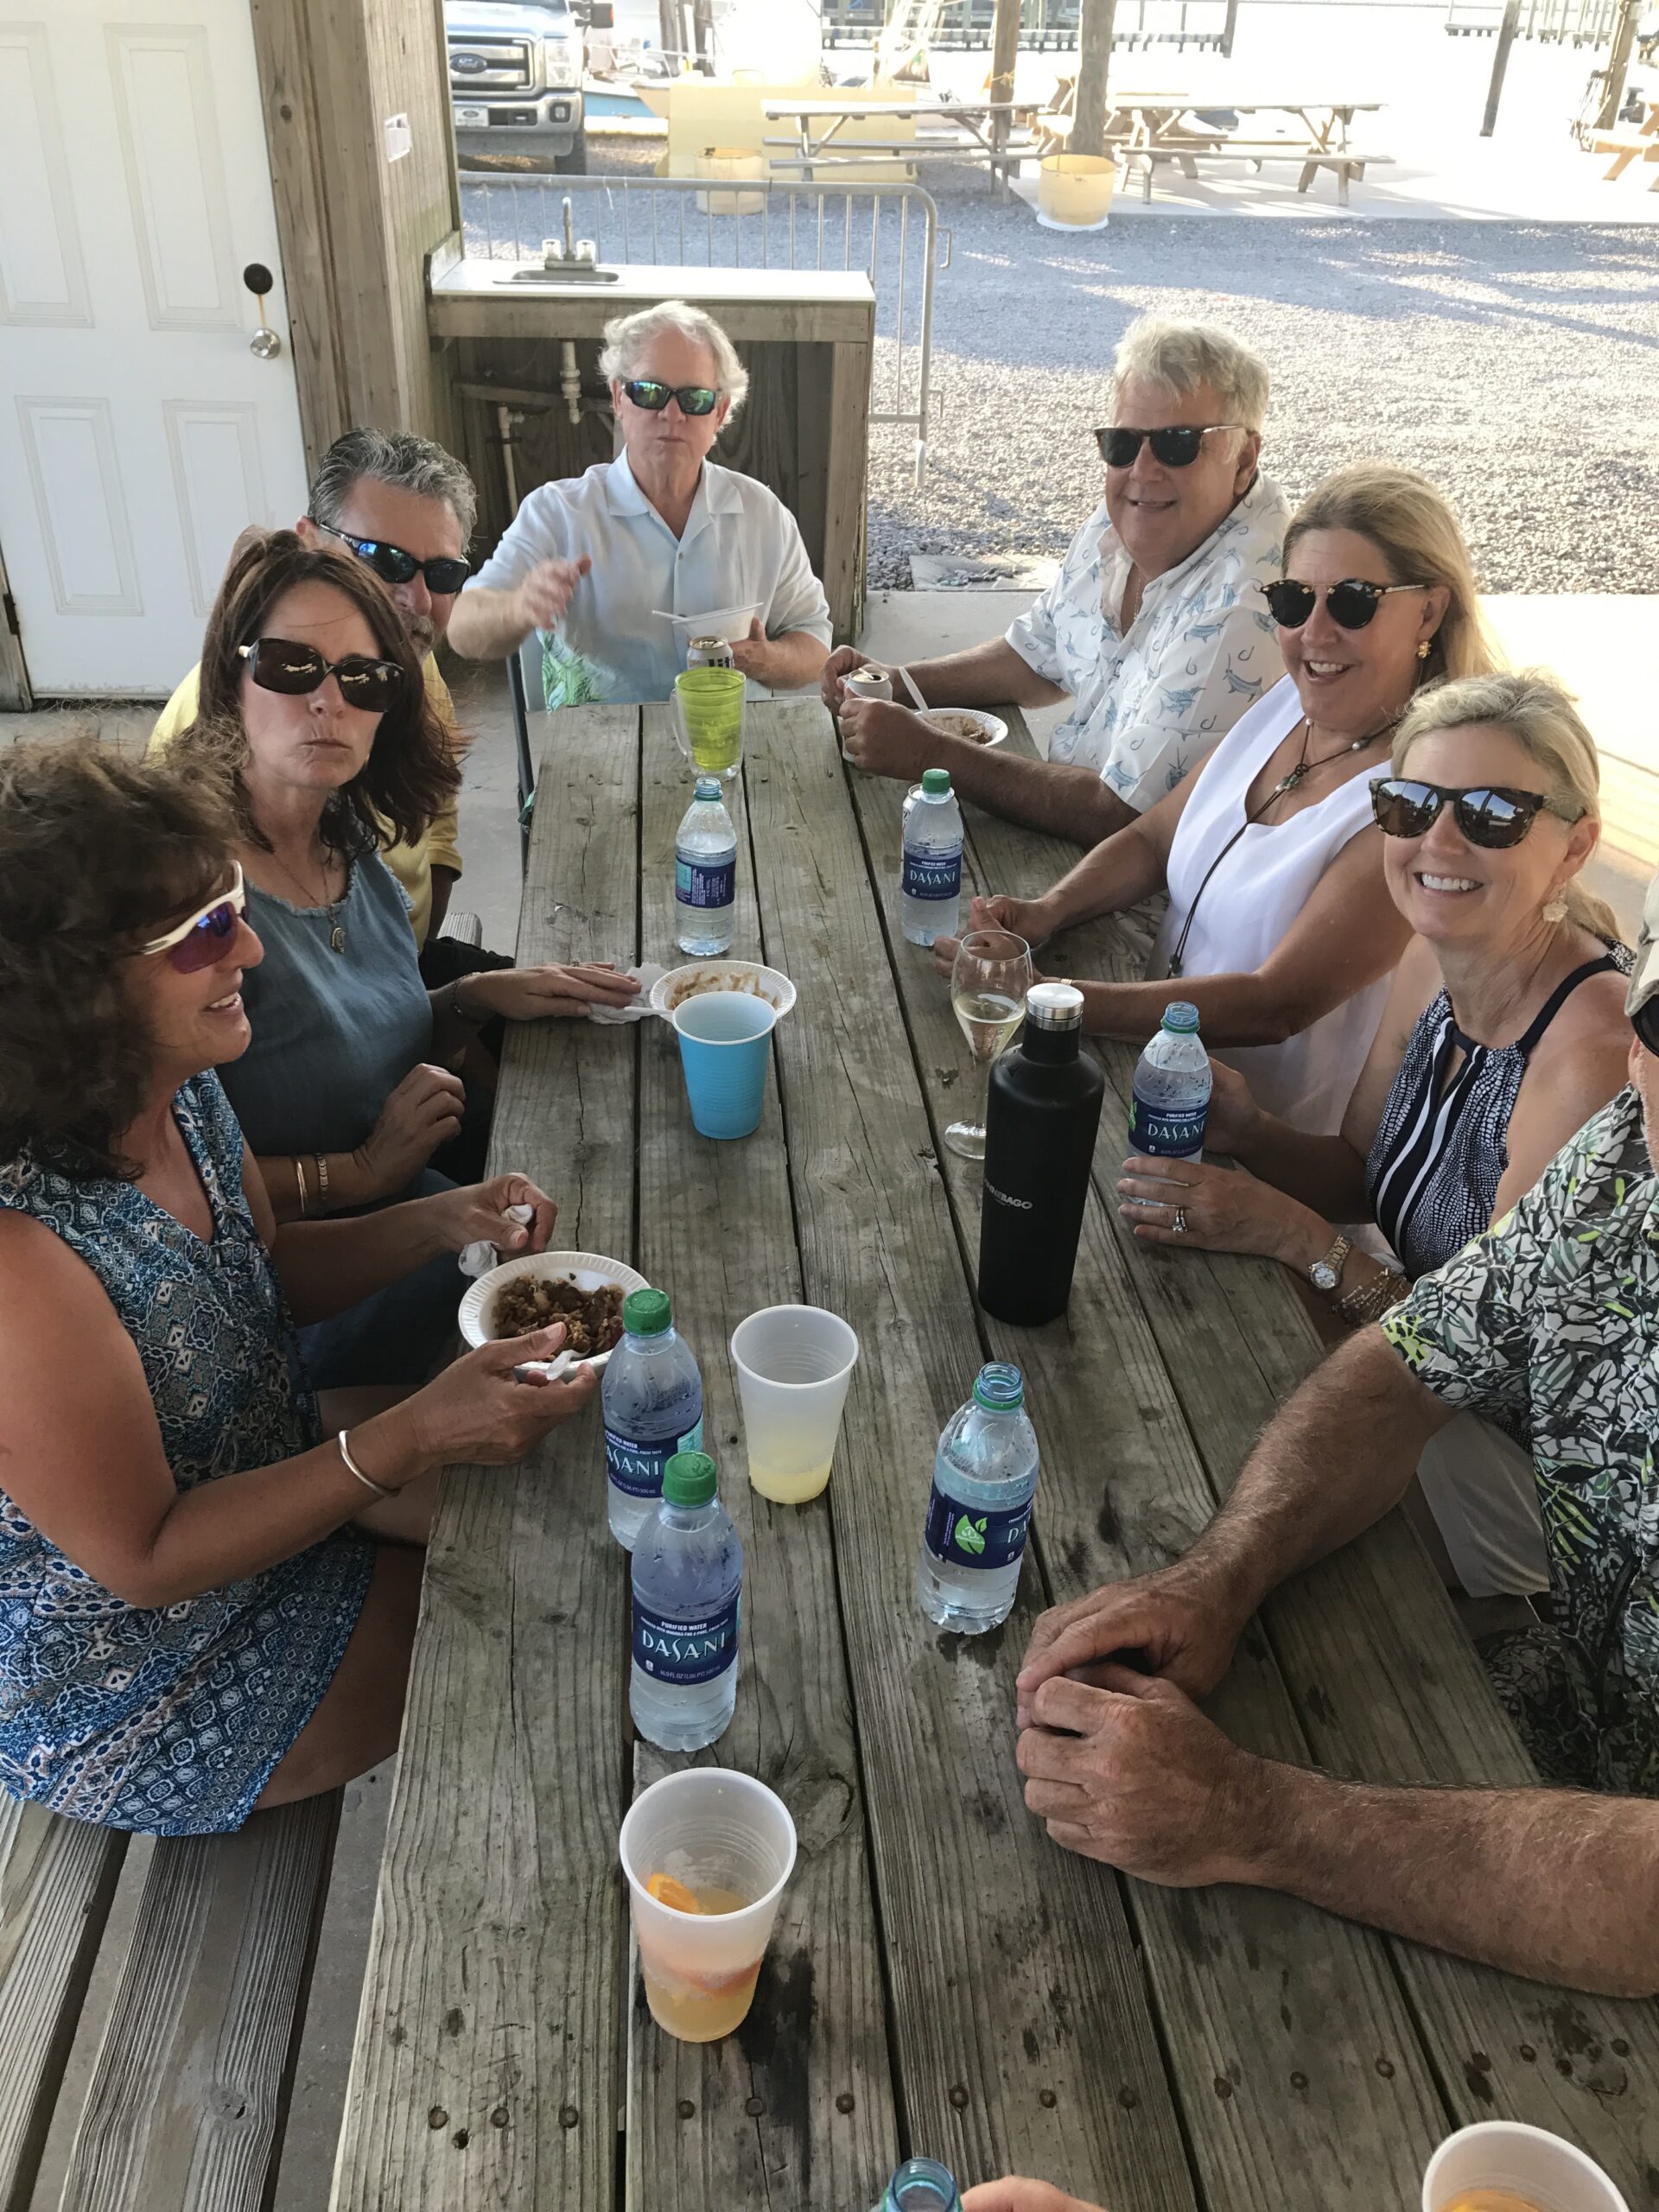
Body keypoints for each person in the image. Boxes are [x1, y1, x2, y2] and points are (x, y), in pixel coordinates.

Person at [1011, 868, 1659, 1998]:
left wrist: (1258, 1817)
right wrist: (1218, 1577)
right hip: (1542, 1731)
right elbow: (1405, 1366)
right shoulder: (1633, 1155)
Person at [0, 740, 594, 1837]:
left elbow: (260, 1276)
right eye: (208, 932)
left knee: (571, 1497)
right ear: (73, 992)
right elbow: (146, 1556)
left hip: (265, 1455)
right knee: (540, 1613)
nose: (254, 947)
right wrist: (406, 1437)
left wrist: (443, 1219)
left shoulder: (177, 1086)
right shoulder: (20, 1265)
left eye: (230, 904)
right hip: (150, 1665)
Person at [171, 531, 638, 1387]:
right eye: (289, 666)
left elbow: (366, 1033)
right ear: (227, 678)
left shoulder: (342, 833)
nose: (328, 701)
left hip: (424, 1209)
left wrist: (470, 995)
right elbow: (155, 1197)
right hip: (295, 1303)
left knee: (624, 1186)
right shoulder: (190, 903)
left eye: (364, 676)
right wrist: (353, 1172)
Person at [946, 462, 1500, 1135]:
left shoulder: (1418, 800)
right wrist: (1049, 910)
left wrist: (1053, 1000)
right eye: (1294, 601)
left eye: (1353, 602)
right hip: (1148, 1084)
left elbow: (1276, 1004)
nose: (1314, 634)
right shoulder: (1287, 707)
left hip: (1249, 1153)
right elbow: (1156, 837)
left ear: (1430, 610)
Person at [826, 316, 1289, 844]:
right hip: (1073, 845)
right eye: (1122, 443)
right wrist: (893, 683)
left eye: (1178, 444)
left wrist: (931, 755)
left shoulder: (1246, 608)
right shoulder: (1134, 515)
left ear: (1245, 457)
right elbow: (1039, 653)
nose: (1142, 469)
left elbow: (1120, 816)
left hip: (1145, 902)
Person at [152, 428, 479, 952]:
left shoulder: (407, 658)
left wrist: (414, 963)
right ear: (309, 543)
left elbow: (435, 813)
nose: (417, 600)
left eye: (441, 573)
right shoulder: (234, 711)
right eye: (383, 558)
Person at [447, 298, 832, 700]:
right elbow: (462, 629)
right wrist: (519, 607)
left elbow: (815, 642)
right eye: (649, 392)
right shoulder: (557, 512)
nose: (671, 414)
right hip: (603, 749)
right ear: (618, 399)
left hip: (730, 742)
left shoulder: (762, 514)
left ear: (719, 414)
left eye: (694, 399)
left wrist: (765, 660)